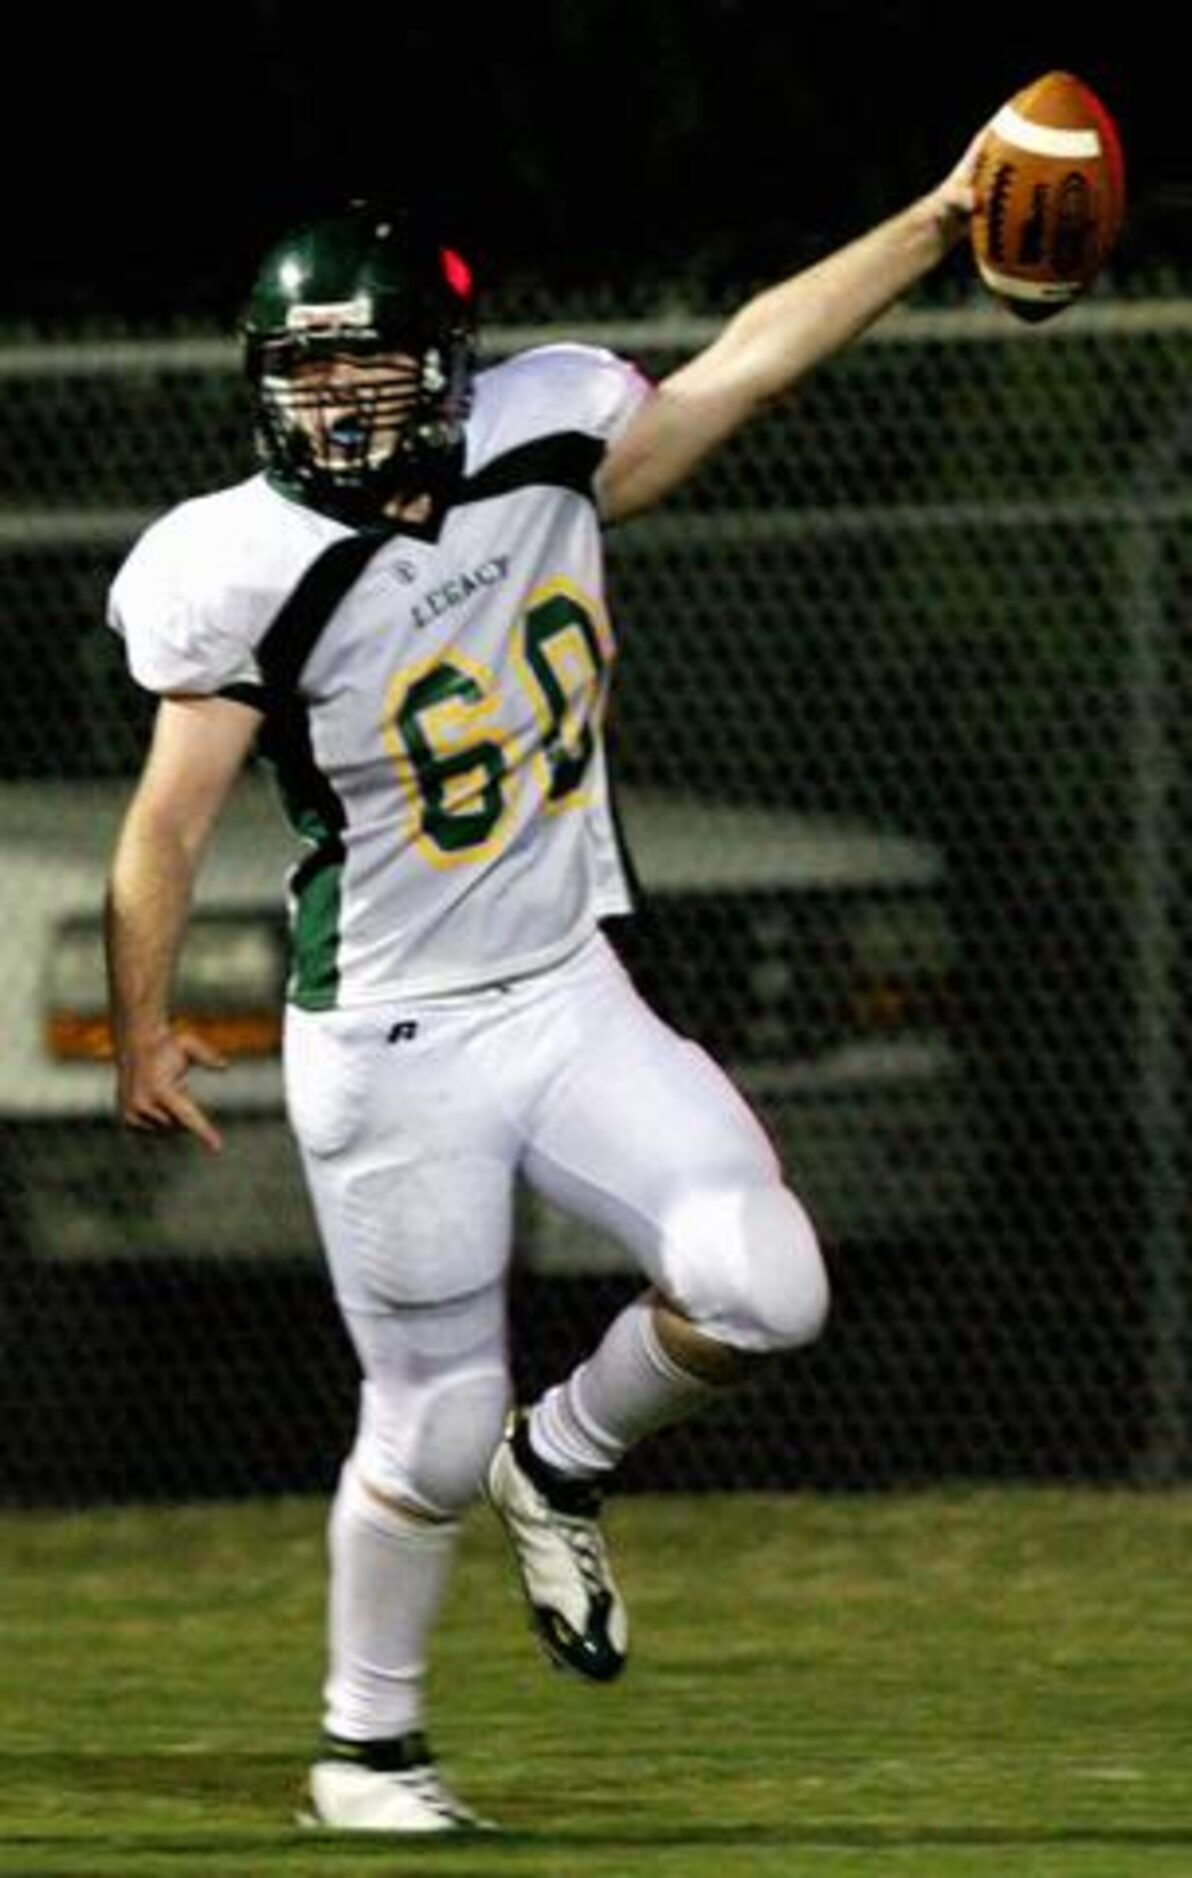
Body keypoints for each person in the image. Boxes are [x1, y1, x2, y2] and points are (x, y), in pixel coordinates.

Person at [104, 131, 981, 1835]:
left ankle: (563, 1457)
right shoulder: (235, 562)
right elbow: (164, 828)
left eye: (370, 368)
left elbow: (745, 362)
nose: (340, 407)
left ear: (445, 370)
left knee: (766, 1281)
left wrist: (937, 225)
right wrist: (143, 1026)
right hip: (390, 1035)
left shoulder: (549, 425)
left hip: (566, 985)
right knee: (425, 1422)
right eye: (309, 374)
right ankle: (369, 1752)